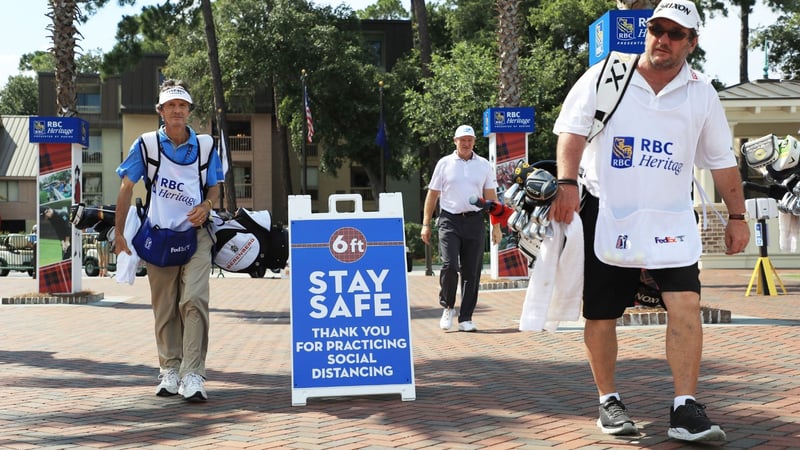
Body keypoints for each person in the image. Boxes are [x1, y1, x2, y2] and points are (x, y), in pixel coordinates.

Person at [549, 0, 750, 442]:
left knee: (686, 305)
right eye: (657, 29)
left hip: (670, 218)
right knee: (602, 313)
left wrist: (738, 216)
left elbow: (721, 161)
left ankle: (684, 408)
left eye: (675, 33)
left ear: (691, 43)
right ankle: (608, 402)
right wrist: (566, 182)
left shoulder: (702, 92)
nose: (663, 39)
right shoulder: (608, 74)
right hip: (606, 211)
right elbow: (573, 129)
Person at [114, 79, 223, 402]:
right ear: (160, 111)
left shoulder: (205, 146)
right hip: (158, 237)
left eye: (182, 105)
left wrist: (207, 206)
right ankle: (169, 370)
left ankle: (192, 374)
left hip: (197, 237)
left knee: (194, 300)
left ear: (189, 111)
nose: (177, 111)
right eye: (171, 105)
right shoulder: (146, 145)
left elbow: (214, 186)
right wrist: (120, 234)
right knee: (165, 308)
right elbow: (125, 188)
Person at [421, 124, 502, 332]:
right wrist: (426, 224)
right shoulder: (444, 164)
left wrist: (496, 226)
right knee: (449, 265)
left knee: (472, 271)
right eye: (462, 140)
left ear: (474, 141)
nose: (466, 144)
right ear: (455, 141)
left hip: (474, 220)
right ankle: (448, 307)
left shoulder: (484, 165)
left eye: (470, 140)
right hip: (449, 220)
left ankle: (466, 317)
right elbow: (432, 195)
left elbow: (491, 197)